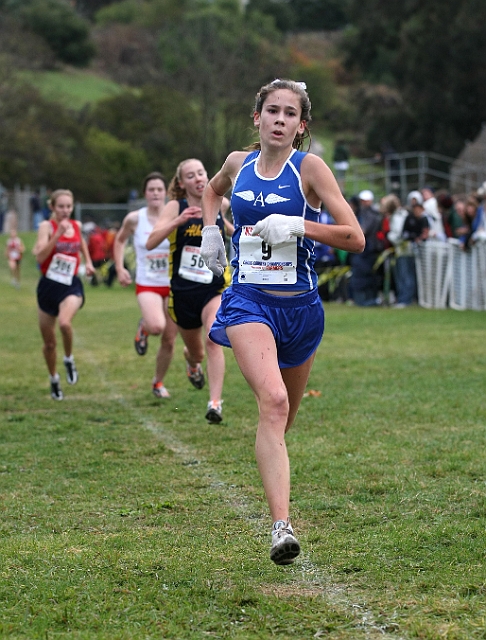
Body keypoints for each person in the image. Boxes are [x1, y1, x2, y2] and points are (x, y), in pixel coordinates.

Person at [200, 79, 364, 565]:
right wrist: (211, 231)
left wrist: (299, 225)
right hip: (248, 300)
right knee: (272, 403)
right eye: (271, 110)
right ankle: (281, 528)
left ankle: (267, 458)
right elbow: (212, 192)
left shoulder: (309, 169)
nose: (278, 119)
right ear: (257, 118)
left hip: (301, 309)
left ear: (300, 125)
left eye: (289, 114)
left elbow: (354, 237)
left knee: (283, 418)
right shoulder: (237, 163)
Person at [146, 159, 233, 423]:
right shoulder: (175, 206)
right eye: (190, 175)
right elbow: (151, 242)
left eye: (201, 173)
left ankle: (215, 403)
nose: (197, 178)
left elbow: (230, 229)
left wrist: (229, 227)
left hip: (213, 287)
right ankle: (192, 363)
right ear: (182, 183)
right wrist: (177, 221)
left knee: (213, 339)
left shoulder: (222, 203)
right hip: (183, 293)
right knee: (196, 352)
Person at [114, 172, 178, 399]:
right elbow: (120, 240)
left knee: (169, 340)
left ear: (166, 193)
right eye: (151, 189)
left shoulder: (176, 215)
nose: (155, 193)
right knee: (157, 326)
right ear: (145, 193)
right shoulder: (134, 218)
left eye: (160, 189)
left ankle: (157, 382)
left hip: (174, 285)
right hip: (147, 283)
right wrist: (120, 268)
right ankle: (144, 327)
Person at [32, 189, 95, 400]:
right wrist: (57, 235)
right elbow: (40, 257)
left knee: (65, 324)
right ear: (52, 207)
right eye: (61, 206)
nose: (66, 210)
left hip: (70, 285)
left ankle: (68, 359)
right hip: (48, 288)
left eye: (69, 206)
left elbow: (82, 243)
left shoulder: (76, 226)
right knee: (49, 343)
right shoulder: (45, 227)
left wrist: (88, 263)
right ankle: (54, 379)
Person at [348, 189, 383, 306]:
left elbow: (363, 230)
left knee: (365, 275)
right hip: (363, 249)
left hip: (368, 249)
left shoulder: (371, 215)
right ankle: (363, 300)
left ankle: (367, 300)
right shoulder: (364, 214)